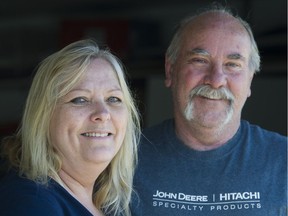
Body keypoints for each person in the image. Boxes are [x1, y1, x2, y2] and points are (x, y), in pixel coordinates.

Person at [131, 4, 287, 216]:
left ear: (250, 79)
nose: (215, 80)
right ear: (170, 70)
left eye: (232, 64)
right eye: (200, 60)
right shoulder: (126, 160)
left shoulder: (283, 160)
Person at [0, 39, 141, 216]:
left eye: (114, 99)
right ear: (43, 116)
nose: (103, 113)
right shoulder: (29, 203)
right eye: (80, 99)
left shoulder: (112, 206)